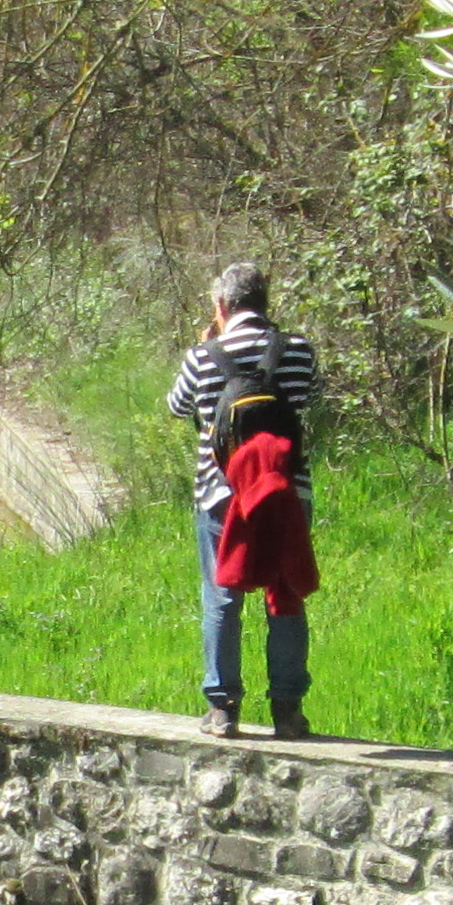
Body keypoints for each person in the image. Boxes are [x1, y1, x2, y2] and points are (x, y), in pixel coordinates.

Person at [164, 259, 322, 739]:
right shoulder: (297, 350)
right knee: (287, 592)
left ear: (221, 305)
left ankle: (222, 708)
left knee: (222, 596)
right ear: (264, 302)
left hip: (221, 496)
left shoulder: (203, 355)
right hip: (286, 491)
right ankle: (288, 712)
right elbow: (312, 395)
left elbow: (177, 406)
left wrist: (210, 342)